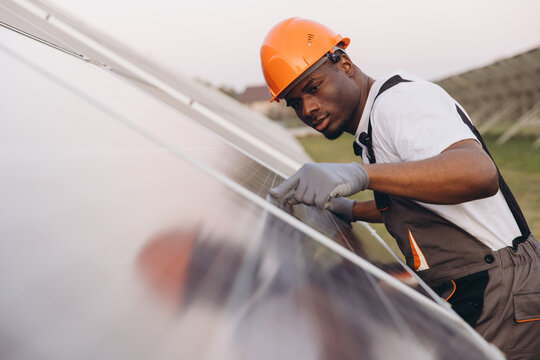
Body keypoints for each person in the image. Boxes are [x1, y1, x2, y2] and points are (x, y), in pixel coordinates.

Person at [260, 17, 540, 359]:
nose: (308, 109)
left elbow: (478, 174)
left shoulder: (397, 104)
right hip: (473, 286)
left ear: (344, 64)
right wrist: (350, 210)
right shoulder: (371, 130)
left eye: (313, 87)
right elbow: (421, 201)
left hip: (499, 288)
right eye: (294, 102)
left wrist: (362, 176)